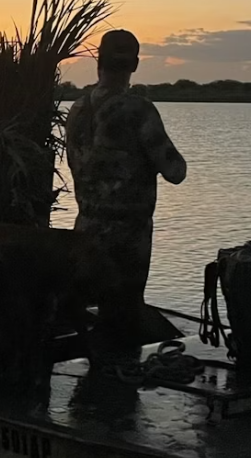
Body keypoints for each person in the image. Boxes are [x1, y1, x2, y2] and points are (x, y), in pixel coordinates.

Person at [65, 29, 186, 348]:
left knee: (103, 314)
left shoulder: (77, 109)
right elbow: (175, 171)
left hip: (85, 229)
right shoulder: (138, 110)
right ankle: (118, 389)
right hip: (127, 237)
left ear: (98, 63)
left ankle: (95, 381)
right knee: (124, 320)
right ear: (134, 64)